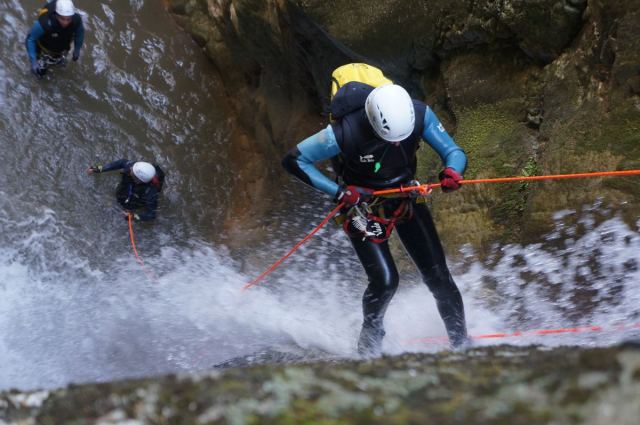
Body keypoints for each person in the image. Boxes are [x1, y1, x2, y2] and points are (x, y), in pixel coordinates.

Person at [282, 81, 469, 356]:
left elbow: (453, 151)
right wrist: (339, 193)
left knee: (439, 277)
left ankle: (463, 346)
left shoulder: (418, 114)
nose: (396, 143)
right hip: (360, 209)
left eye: (400, 138)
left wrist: (453, 171)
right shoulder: (341, 133)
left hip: (406, 197)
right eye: (389, 138)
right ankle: (369, 342)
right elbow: (294, 160)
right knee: (385, 280)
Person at [87, 160, 165, 222]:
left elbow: (151, 215)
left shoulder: (150, 192)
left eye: (132, 172)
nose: (130, 168)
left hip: (135, 202)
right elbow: (120, 163)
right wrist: (99, 169)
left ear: (138, 180)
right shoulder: (133, 167)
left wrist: (133, 217)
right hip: (124, 192)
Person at [25, 0, 85, 79]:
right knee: (39, 75)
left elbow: (80, 34)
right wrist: (33, 61)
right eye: (62, 19)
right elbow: (30, 39)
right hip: (42, 49)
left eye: (68, 19)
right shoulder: (45, 23)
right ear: (56, 15)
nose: (65, 22)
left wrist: (77, 50)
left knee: (61, 68)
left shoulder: (76, 20)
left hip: (60, 49)